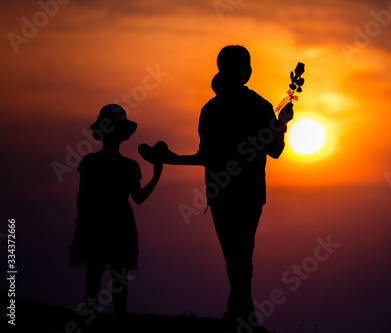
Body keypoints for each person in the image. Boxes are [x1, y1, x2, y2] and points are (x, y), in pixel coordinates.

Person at [140, 45, 294, 328]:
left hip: (227, 192)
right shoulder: (253, 107)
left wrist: (173, 159)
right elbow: (274, 150)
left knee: (236, 256)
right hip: (238, 193)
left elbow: (211, 155)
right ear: (246, 72)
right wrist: (281, 125)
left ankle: (239, 316)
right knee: (239, 256)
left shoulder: (217, 109)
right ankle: (241, 317)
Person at [70, 104, 163, 316]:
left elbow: (137, 198)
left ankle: (109, 316)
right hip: (100, 221)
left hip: (113, 222)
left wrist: (156, 176)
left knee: (112, 272)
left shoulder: (124, 166)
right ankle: (104, 316)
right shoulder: (99, 163)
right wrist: (82, 219)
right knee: (102, 270)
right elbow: (82, 195)